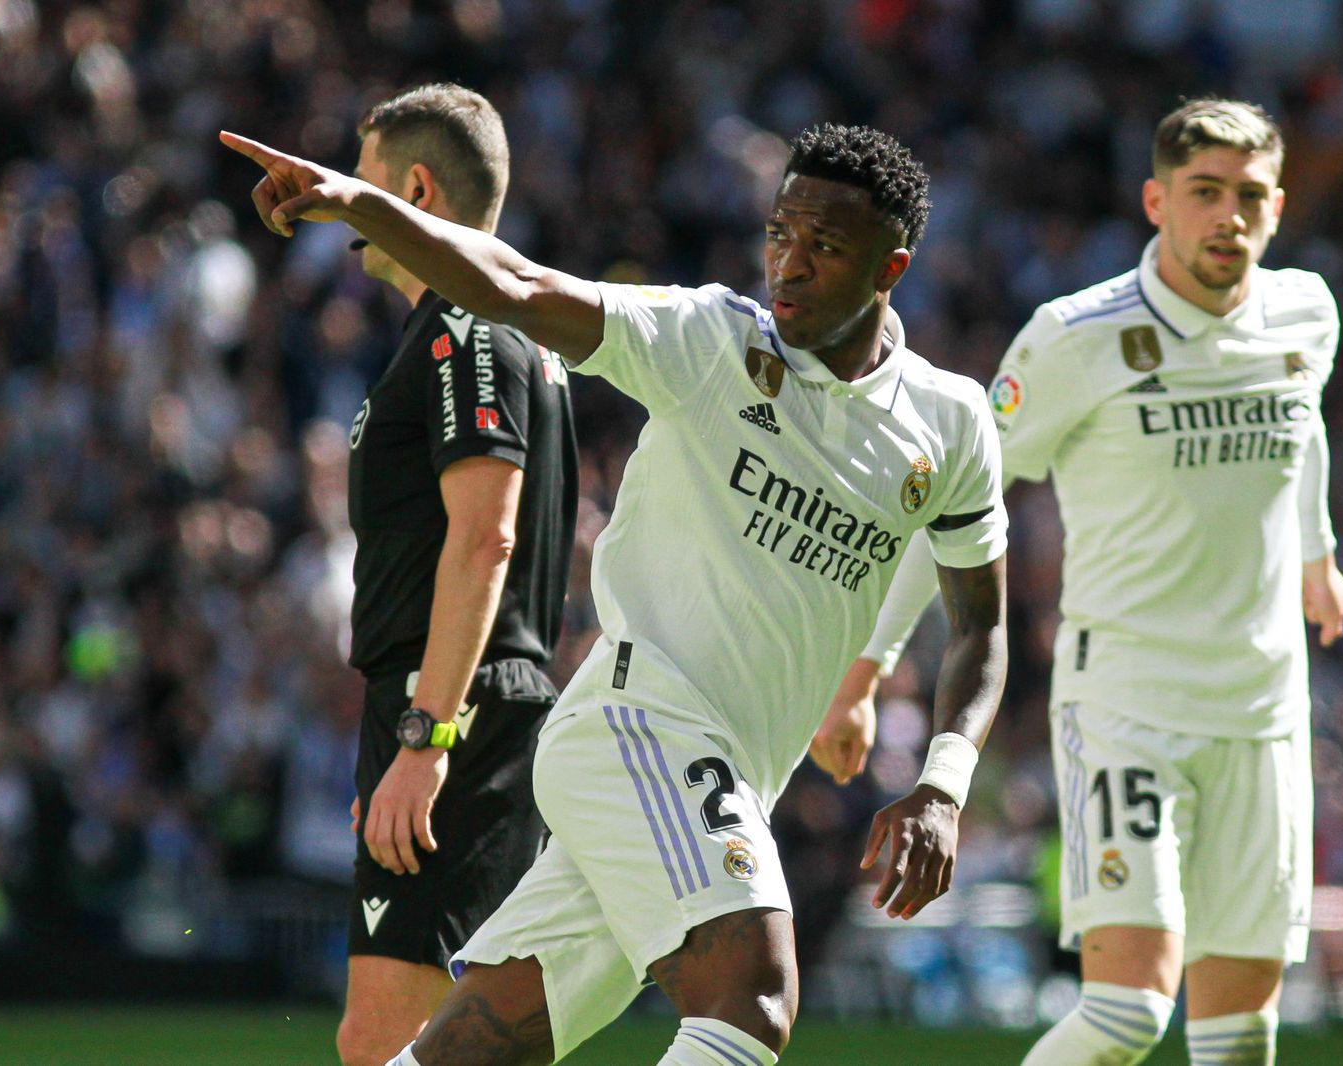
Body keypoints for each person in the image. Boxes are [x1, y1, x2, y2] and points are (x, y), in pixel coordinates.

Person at [221, 120, 1009, 1066]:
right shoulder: (711, 340)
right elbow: (519, 285)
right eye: (780, 234)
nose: (788, 266)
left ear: (892, 268)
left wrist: (942, 784)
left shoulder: (951, 424)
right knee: (751, 999)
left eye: (826, 247)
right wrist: (362, 205)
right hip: (643, 724)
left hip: (731, 774)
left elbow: (981, 625)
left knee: (468, 1053)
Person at [990, 99, 1343, 1065]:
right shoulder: (1073, 337)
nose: (1229, 216)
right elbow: (963, 491)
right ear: (1157, 200)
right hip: (1128, 705)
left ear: (1277, 206)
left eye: (1250, 196)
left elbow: (1302, 420)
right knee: (1124, 1019)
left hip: (1264, 710)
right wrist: (872, 663)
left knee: (1240, 1037)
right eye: (1204, 193)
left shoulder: (1306, 311)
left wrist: (1316, 552)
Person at [327, 84, 578, 1066]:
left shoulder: (467, 324)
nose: (349, 207)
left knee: (390, 1038)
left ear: (418, 190)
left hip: (458, 710)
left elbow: (486, 539)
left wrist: (426, 735)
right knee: (458, 1043)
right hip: (449, 705)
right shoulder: (472, 325)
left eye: (363, 184)